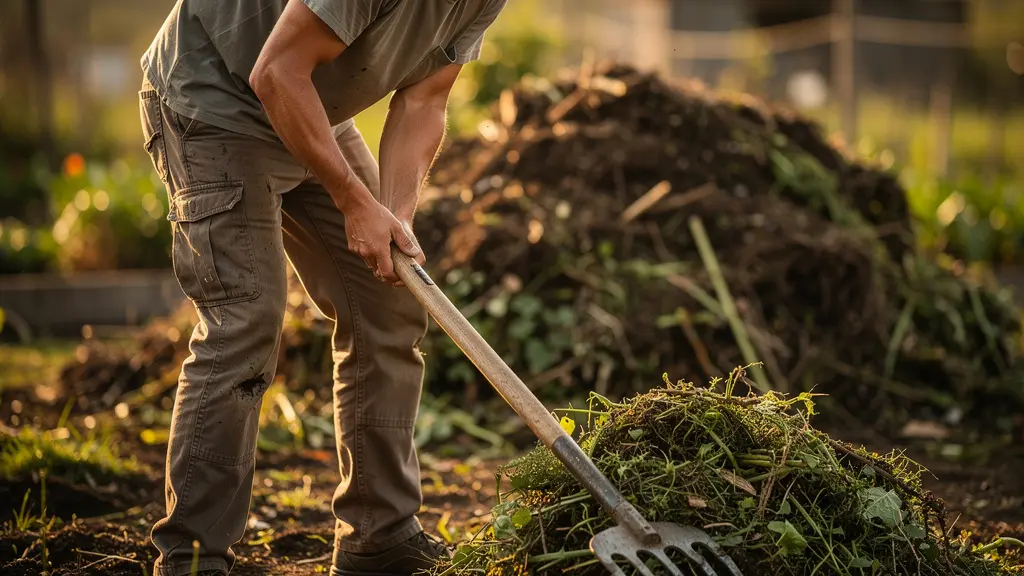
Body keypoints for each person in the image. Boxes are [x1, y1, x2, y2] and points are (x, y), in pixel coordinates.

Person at [137, 1, 507, 574]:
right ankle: (192, 557)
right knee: (246, 320)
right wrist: (353, 201)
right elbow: (275, 72)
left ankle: (378, 535)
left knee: (387, 303)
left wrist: (394, 217)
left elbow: (425, 98)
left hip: (306, 104)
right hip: (215, 98)